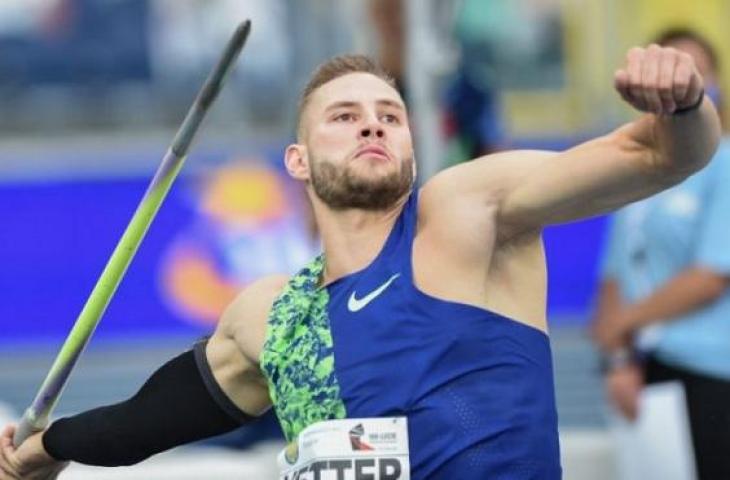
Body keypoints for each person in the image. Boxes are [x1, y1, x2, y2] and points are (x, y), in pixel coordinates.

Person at [1, 44, 720, 479]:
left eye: (390, 114)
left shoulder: (466, 214)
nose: (372, 121)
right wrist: (49, 446)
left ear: (410, 148)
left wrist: (686, 105)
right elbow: (149, 419)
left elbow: (654, 154)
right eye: (343, 116)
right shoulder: (269, 316)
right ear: (299, 161)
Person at [592, 28, 730, 480]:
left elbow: (711, 274)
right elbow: (614, 276)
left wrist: (626, 325)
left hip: (710, 372)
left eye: (693, 73)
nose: (678, 85)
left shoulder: (724, 166)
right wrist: (618, 361)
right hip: (647, 374)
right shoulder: (637, 170)